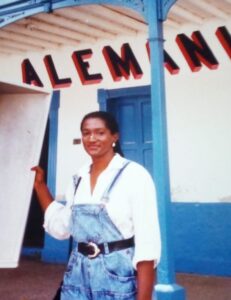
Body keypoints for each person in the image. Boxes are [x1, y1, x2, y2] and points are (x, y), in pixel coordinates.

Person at [32, 111, 161, 300]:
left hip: (118, 278)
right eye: (86, 133)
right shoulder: (79, 179)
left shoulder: (135, 176)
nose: (92, 138)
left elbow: (147, 244)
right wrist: (40, 186)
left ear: (114, 136)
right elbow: (62, 227)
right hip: (77, 277)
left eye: (100, 133)